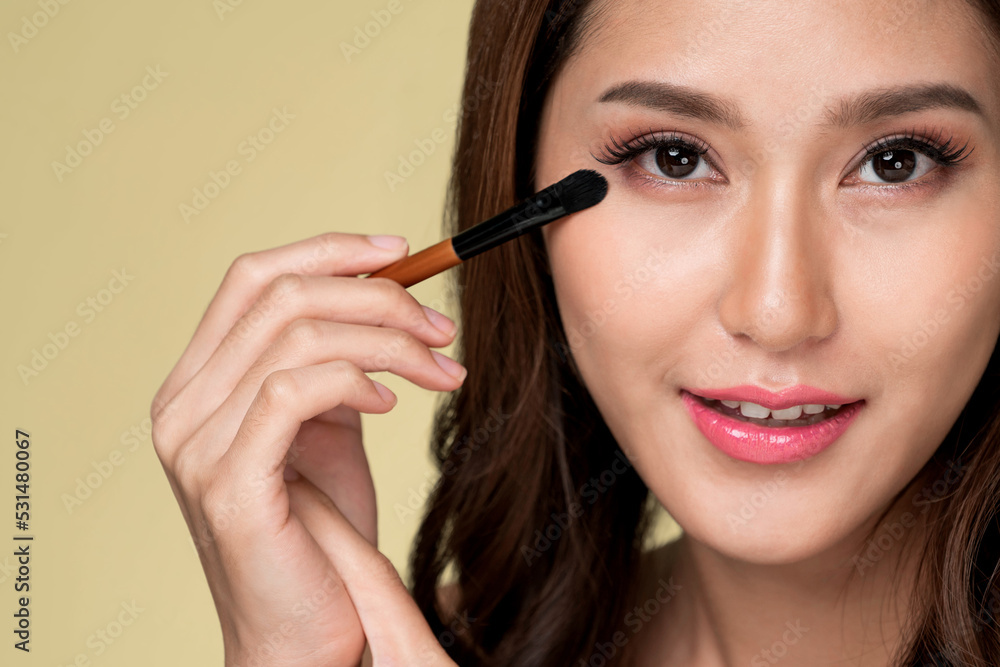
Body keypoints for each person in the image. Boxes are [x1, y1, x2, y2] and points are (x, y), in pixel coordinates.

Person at [150, 0, 1000, 664]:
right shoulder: (414, 647)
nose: (777, 311)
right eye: (674, 157)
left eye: (897, 161)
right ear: (523, 185)